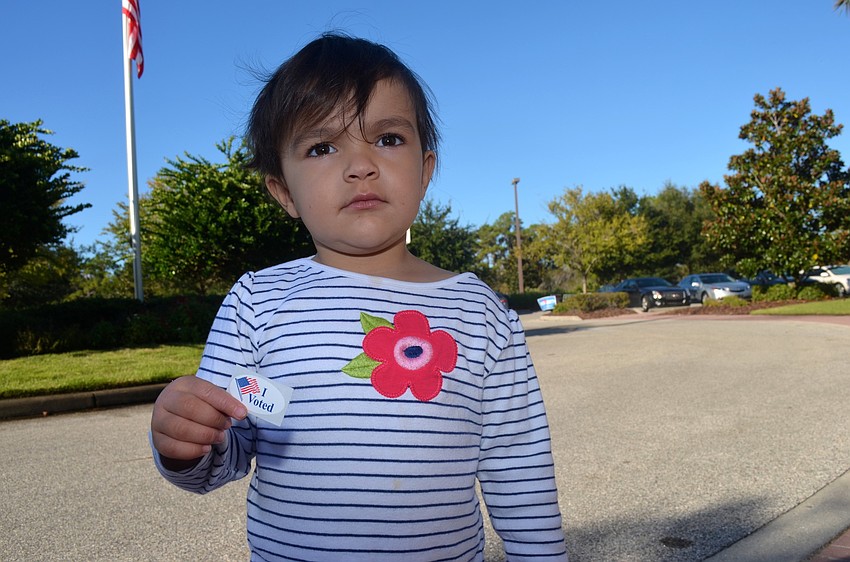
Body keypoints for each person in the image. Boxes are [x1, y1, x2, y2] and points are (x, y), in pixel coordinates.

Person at [150, 33, 567, 561]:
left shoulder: (480, 312)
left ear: (426, 170)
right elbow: (224, 455)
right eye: (322, 147)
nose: (360, 165)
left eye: (388, 138)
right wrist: (184, 443)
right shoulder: (257, 302)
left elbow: (519, 466)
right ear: (284, 192)